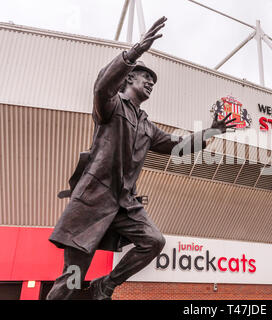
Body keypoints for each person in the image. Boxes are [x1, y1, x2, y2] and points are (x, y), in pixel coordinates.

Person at [46, 16, 236, 300]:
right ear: (129, 78)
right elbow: (101, 87)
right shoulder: (109, 106)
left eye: (153, 81)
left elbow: (179, 146)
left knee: (153, 241)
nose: (150, 83)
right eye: (146, 77)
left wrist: (212, 130)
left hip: (124, 206)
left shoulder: (147, 126)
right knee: (72, 281)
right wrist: (134, 52)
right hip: (91, 206)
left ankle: (106, 285)